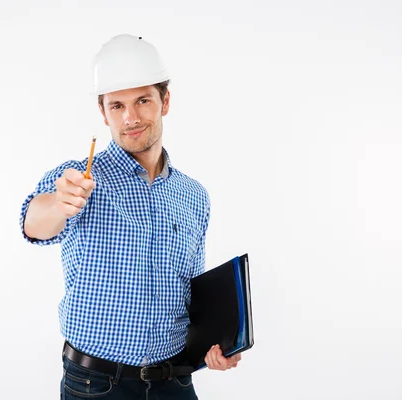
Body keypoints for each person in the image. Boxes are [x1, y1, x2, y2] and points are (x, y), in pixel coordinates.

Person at [19, 34, 241, 399]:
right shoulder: (79, 179)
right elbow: (33, 224)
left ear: (165, 101)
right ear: (103, 112)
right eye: (117, 105)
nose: (131, 117)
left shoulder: (194, 196)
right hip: (97, 385)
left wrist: (214, 347)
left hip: (176, 381)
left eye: (142, 101)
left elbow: (190, 294)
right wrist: (60, 204)